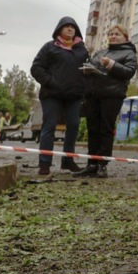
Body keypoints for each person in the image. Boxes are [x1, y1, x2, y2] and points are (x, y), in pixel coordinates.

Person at [77, 24, 138, 178]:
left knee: (105, 129)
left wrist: (112, 65)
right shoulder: (101, 52)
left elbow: (129, 72)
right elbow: (91, 64)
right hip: (93, 94)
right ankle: (91, 163)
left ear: (125, 37)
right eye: (110, 34)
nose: (112, 36)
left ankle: (103, 165)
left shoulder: (129, 53)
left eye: (117, 34)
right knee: (93, 128)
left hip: (112, 95)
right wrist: (87, 70)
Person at [30, 16, 88, 176]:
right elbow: (36, 68)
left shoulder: (82, 49)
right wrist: (51, 81)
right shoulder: (50, 47)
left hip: (74, 96)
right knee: (49, 127)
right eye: (66, 26)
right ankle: (44, 164)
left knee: (74, 126)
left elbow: (87, 69)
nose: (70, 29)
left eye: (73, 27)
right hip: (52, 94)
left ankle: (67, 161)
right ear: (59, 29)